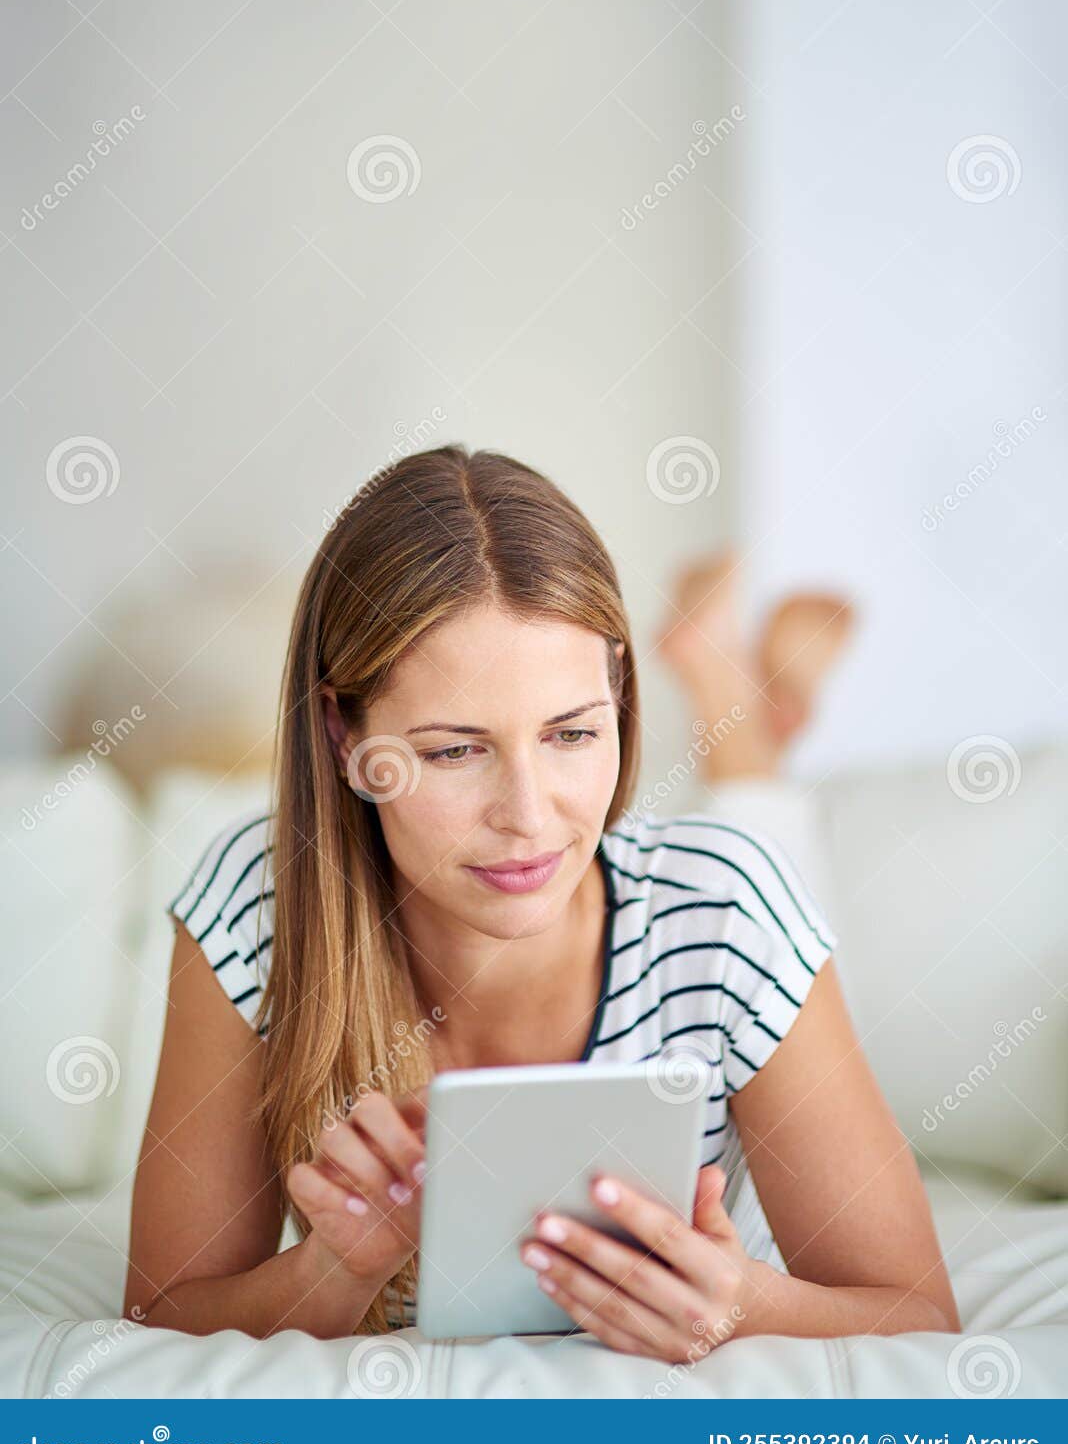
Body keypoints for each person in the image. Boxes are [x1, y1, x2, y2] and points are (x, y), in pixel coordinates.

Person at [123, 445, 959, 1361]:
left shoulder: (726, 912)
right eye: (454, 751)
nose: (528, 818)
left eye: (571, 734)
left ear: (619, 700)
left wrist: (740, 1306)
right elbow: (159, 1316)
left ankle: (742, 689)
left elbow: (917, 1314)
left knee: (758, 834)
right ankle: (750, 685)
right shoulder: (254, 908)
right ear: (342, 734)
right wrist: (332, 1272)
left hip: (711, 896)